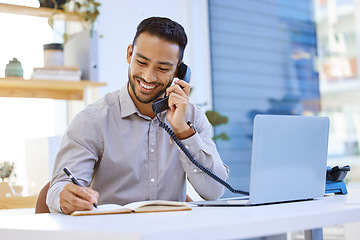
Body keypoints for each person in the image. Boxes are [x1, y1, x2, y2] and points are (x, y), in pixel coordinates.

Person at [46, 16, 229, 214]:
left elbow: (215, 191)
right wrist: (64, 196)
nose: (148, 77)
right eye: (141, 62)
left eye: (163, 68)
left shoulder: (192, 118)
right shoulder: (92, 120)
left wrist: (183, 132)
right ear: (129, 54)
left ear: (179, 71)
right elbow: (59, 187)